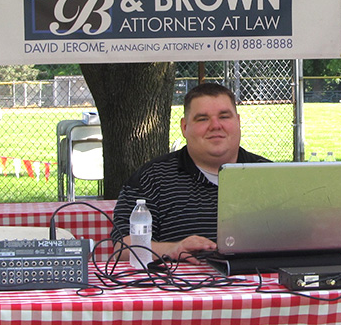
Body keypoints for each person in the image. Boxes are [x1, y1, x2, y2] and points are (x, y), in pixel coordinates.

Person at [111, 82, 269, 263]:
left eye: (224, 116)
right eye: (202, 119)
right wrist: (172, 249)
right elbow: (122, 248)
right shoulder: (151, 178)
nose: (215, 125)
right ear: (184, 127)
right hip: (177, 288)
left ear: (238, 122)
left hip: (264, 286)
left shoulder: (270, 176)